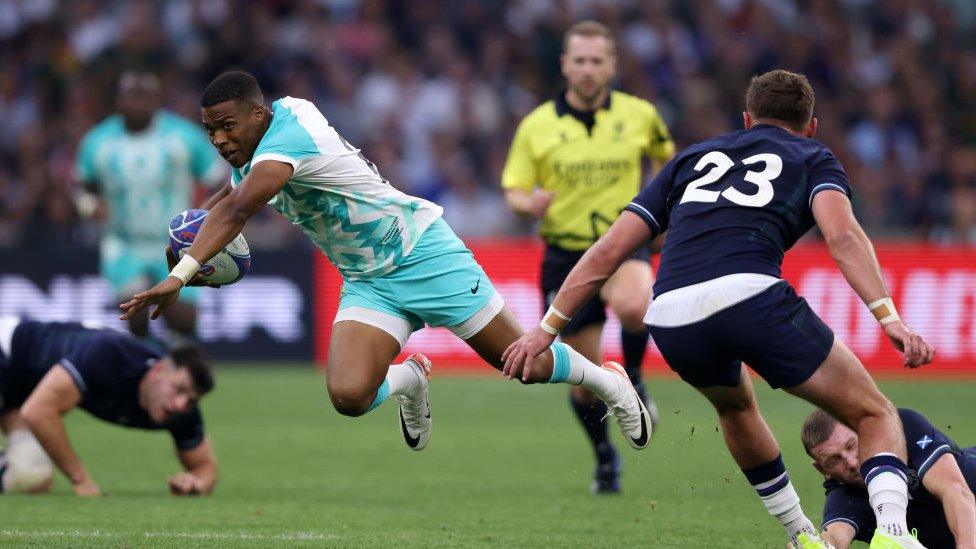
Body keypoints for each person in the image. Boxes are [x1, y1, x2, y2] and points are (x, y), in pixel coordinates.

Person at [502, 70, 935, 548]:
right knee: (874, 412)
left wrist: (545, 330)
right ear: (811, 125)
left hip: (669, 312)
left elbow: (607, 251)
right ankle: (894, 535)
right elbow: (843, 236)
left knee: (735, 407)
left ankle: (803, 536)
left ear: (747, 120)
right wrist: (887, 316)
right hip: (750, 294)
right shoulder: (814, 156)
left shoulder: (692, 156)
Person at [118, 71, 652, 456]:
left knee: (524, 366)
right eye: (210, 130)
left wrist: (179, 275)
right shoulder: (254, 155)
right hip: (369, 281)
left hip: (423, 252)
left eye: (227, 126)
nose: (218, 140)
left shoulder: (293, 128)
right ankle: (412, 380)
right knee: (349, 396)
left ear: (258, 114)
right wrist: (185, 239)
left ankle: (609, 383)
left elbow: (238, 207)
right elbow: (224, 198)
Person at [501, 20, 673, 494]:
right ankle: (604, 457)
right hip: (566, 253)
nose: (588, 69)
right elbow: (513, 188)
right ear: (564, 65)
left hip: (621, 241)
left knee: (638, 304)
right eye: (579, 60)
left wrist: (657, 203)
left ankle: (635, 382)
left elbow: (666, 155)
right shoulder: (538, 124)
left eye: (597, 60)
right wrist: (528, 203)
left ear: (612, 65)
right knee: (584, 381)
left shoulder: (640, 114)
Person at [75, 71, 226, 345]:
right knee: (134, 314)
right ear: (119, 101)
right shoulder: (98, 141)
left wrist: (203, 215)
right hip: (123, 242)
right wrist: (89, 207)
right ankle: (150, 366)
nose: (137, 104)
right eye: (131, 97)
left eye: (144, 97)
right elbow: (83, 187)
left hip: (175, 242)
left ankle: (176, 361)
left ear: (157, 100)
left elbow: (216, 179)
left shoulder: (183, 136)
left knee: (182, 317)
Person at [0, 317, 217, 496]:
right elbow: (38, 411)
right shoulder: (110, 354)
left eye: (192, 399)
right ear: (158, 370)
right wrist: (81, 480)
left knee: (29, 477)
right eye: (178, 389)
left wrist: (197, 483)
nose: (181, 403)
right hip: (6, 352)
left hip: (19, 394)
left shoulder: (180, 410)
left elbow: (206, 466)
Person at [801, 408, 976, 548]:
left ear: (863, 430)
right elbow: (834, 536)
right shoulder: (845, 495)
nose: (852, 463)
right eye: (834, 459)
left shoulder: (902, 428)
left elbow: (955, 491)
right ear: (822, 469)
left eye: (852, 445)